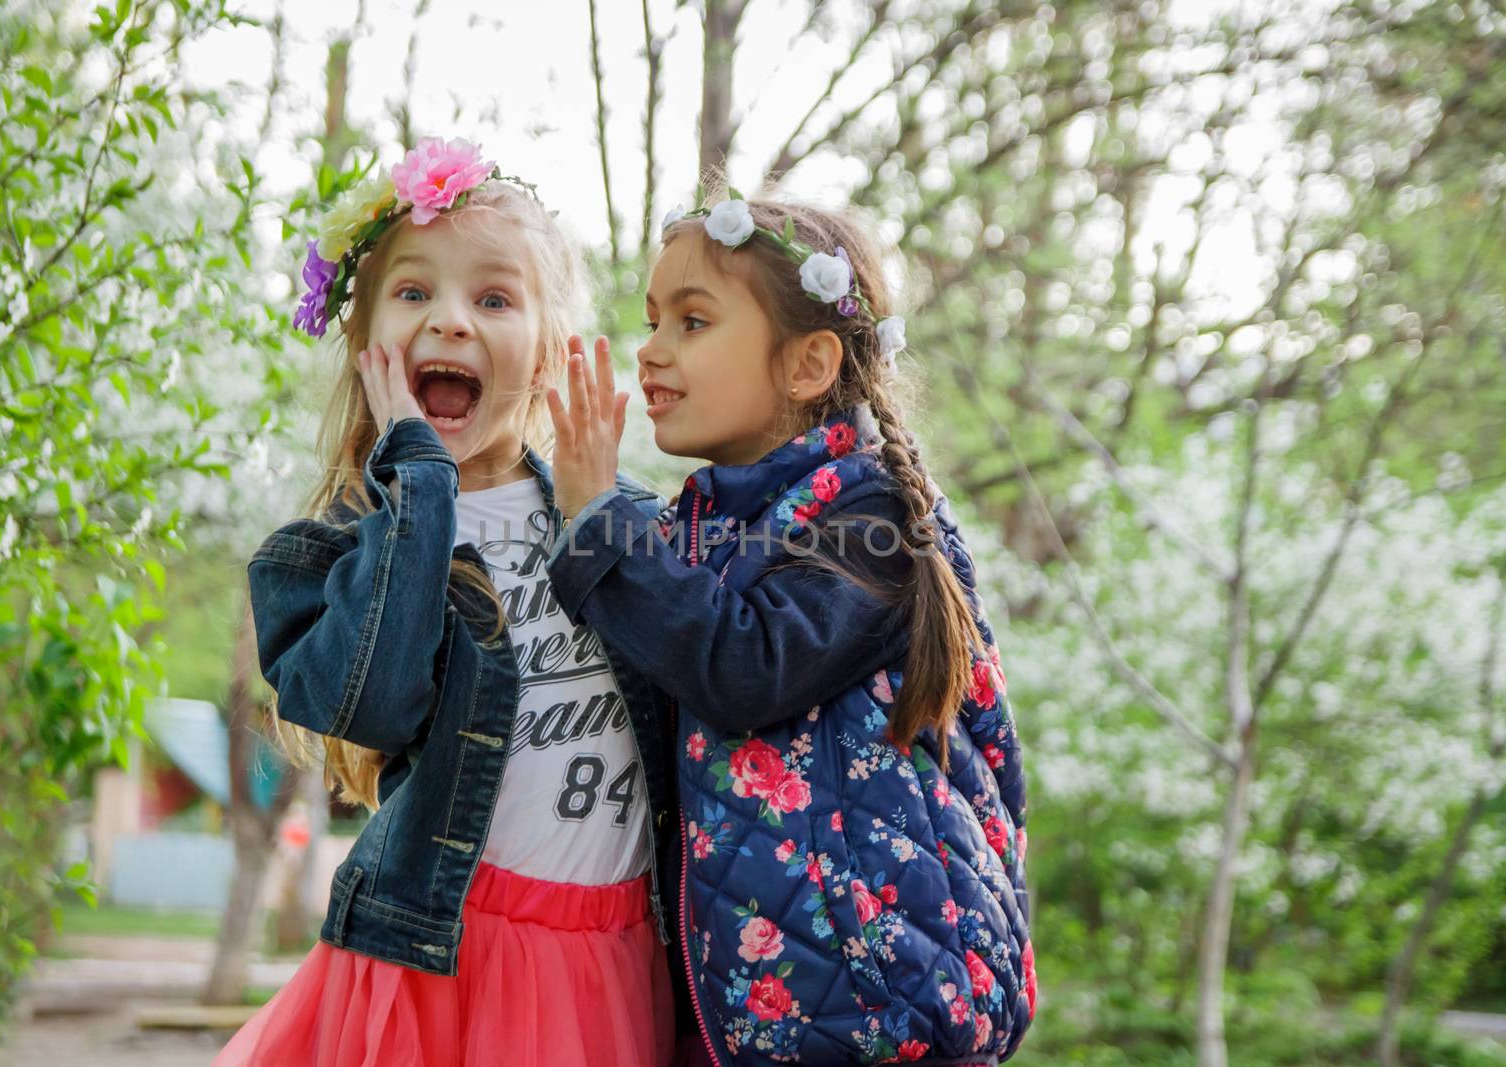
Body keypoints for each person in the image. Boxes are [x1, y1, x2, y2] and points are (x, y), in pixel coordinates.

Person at [214, 135, 675, 1067]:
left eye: (494, 298)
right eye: (415, 292)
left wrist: (605, 515)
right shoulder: (331, 556)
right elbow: (375, 701)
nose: (452, 321)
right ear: (365, 342)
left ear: (547, 352)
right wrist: (418, 478)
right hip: (444, 958)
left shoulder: (611, 520)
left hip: (617, 956)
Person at [546, 194, 1034, 1065]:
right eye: (652, 320)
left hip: (873, 1010)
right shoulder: (693, 531)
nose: (651, 350)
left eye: (693, 321)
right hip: (738, 1015)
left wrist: (598, 525)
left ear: (809, 364)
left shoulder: (876, 518)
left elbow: (747, 664)